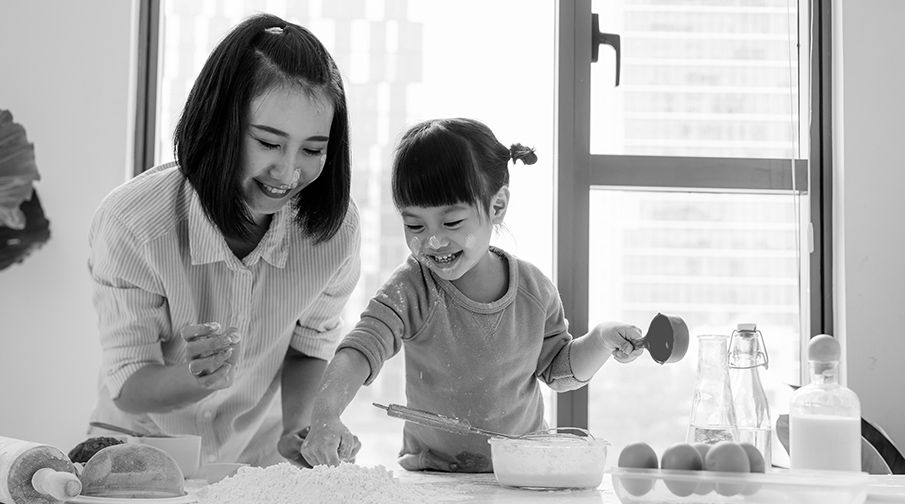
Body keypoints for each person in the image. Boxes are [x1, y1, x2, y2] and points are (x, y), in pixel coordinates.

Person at [86, 13, 360, 467]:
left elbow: (308, 348)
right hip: (141, 451)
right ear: (219, 123)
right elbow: (130, 385)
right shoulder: (134, 223)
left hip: (257, 460)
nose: (289, 172)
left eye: (312, 150)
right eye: (269, 142)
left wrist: (304, 426)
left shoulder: (332, 231)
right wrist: (197, 378)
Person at [299, 118, 644, 472]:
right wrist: (326, 415)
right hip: (432, 479)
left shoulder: (534, 292)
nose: (432, 241)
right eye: (414, 225)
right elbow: (360, 349)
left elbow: (559, 371)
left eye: (451, 223)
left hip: (520, 476)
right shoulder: (412, 287)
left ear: (497, 207)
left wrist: (601, 340)